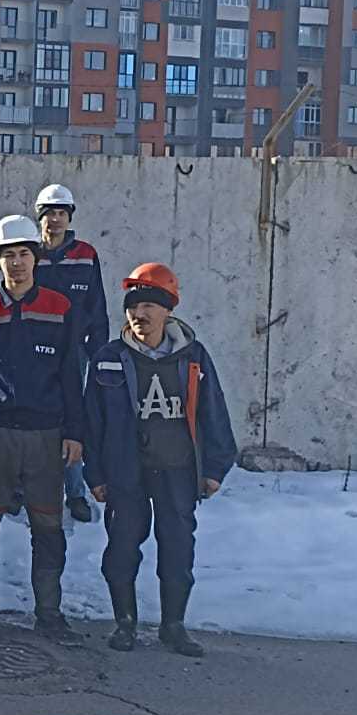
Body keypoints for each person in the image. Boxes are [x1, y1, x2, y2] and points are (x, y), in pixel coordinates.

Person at [85, 263, 237, 658]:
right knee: (121, 549)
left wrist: (215, 468)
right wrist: (95, 473)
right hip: (126, 472)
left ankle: (174, 627)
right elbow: (92, 422)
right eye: (133, 306)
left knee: (177, 549)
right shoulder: (109, 357)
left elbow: (214, 411)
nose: (140, 314)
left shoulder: (193, 356)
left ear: (168, 310)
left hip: (177, 470)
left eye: (149, 306)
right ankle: (125, 624)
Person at [0, 214, 85, 645]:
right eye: (8, 255)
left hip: (46, 434)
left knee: (48, 526)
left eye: (24, 253)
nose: (17, 263)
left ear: (36, 258)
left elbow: (72, 376)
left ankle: (49, 613)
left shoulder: (60, 308)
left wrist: (75, 432)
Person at [32, 183, 109, 524]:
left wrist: (98, 353)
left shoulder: (85, 254)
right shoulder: (28, 252)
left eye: (61, 213)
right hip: (32, 350)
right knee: (29, 415)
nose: (55, 220)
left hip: (74, 351)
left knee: (72, 418)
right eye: (49, 214)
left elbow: (96, 305)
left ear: (70, 217)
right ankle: (22, 488)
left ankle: (74, 492)